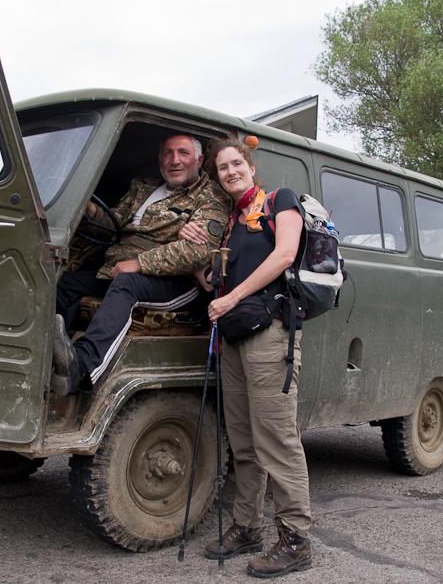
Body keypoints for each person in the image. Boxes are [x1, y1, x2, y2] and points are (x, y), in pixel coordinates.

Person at [180, 137, 312, 578]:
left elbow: (285, 254)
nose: (230, 171)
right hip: (234, 339)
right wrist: (197, 246)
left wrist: (231, 297)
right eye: (221, 168)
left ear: (251, 167)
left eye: (237, 163)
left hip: (271, 334)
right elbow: (210, 284)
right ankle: (247, 527)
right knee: (243, 441)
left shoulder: (281, 201)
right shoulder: (231, 224)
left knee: (276, 437)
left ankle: (295, 539)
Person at [53, 134, 231, 392]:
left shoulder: (211, 196)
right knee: (63, 283)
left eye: (183, 153)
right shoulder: (143, 187)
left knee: (126, 283)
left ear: (199, 160)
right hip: (116, 271)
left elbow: (198, 251)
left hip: (175, 284)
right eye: (168, 154)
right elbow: (111, 227)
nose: (174, 160)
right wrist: (90, 209)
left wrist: (139, 263)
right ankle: (47, 352)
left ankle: (82, 365)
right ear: (160, 160)